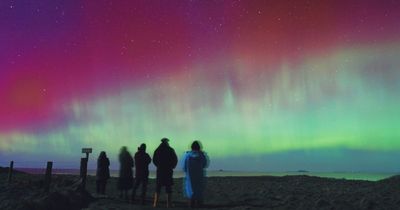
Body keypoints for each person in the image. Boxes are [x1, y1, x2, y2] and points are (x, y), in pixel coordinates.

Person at [152, 138, 178, 208]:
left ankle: (155, 203)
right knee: (168, 187)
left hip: (160, 170)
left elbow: (154, 160)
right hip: (168, 170)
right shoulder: (170, 150)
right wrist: (172, 166)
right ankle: (168, 204)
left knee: (158, 187)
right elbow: (175, 159)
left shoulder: (157, 150)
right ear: (167, 142)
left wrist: (158, 165)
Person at [182, 141, 209, 208]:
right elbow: (205, 164)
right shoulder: (201, 155)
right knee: (199, 189)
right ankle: (199, 204)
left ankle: (191, 204)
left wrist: (186, 171)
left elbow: (184, 166)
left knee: (190, 190)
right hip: (199, 175)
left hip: (190, 176)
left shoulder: (187, 155)